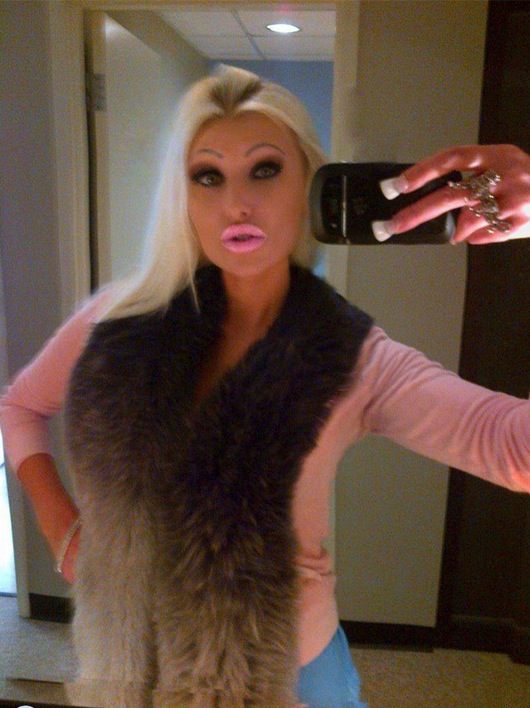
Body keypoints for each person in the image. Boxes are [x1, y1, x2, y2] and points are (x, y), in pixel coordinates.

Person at [0, 66, 529, 707]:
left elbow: (514, 447)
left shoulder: (353, 355)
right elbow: (20, 406)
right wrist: (62, 532)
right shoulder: (115, 322)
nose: (236, 204)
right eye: (208, 176)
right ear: (182, 198)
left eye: (266, 170)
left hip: (290, 671)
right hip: (127, 659)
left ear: (308, 185)